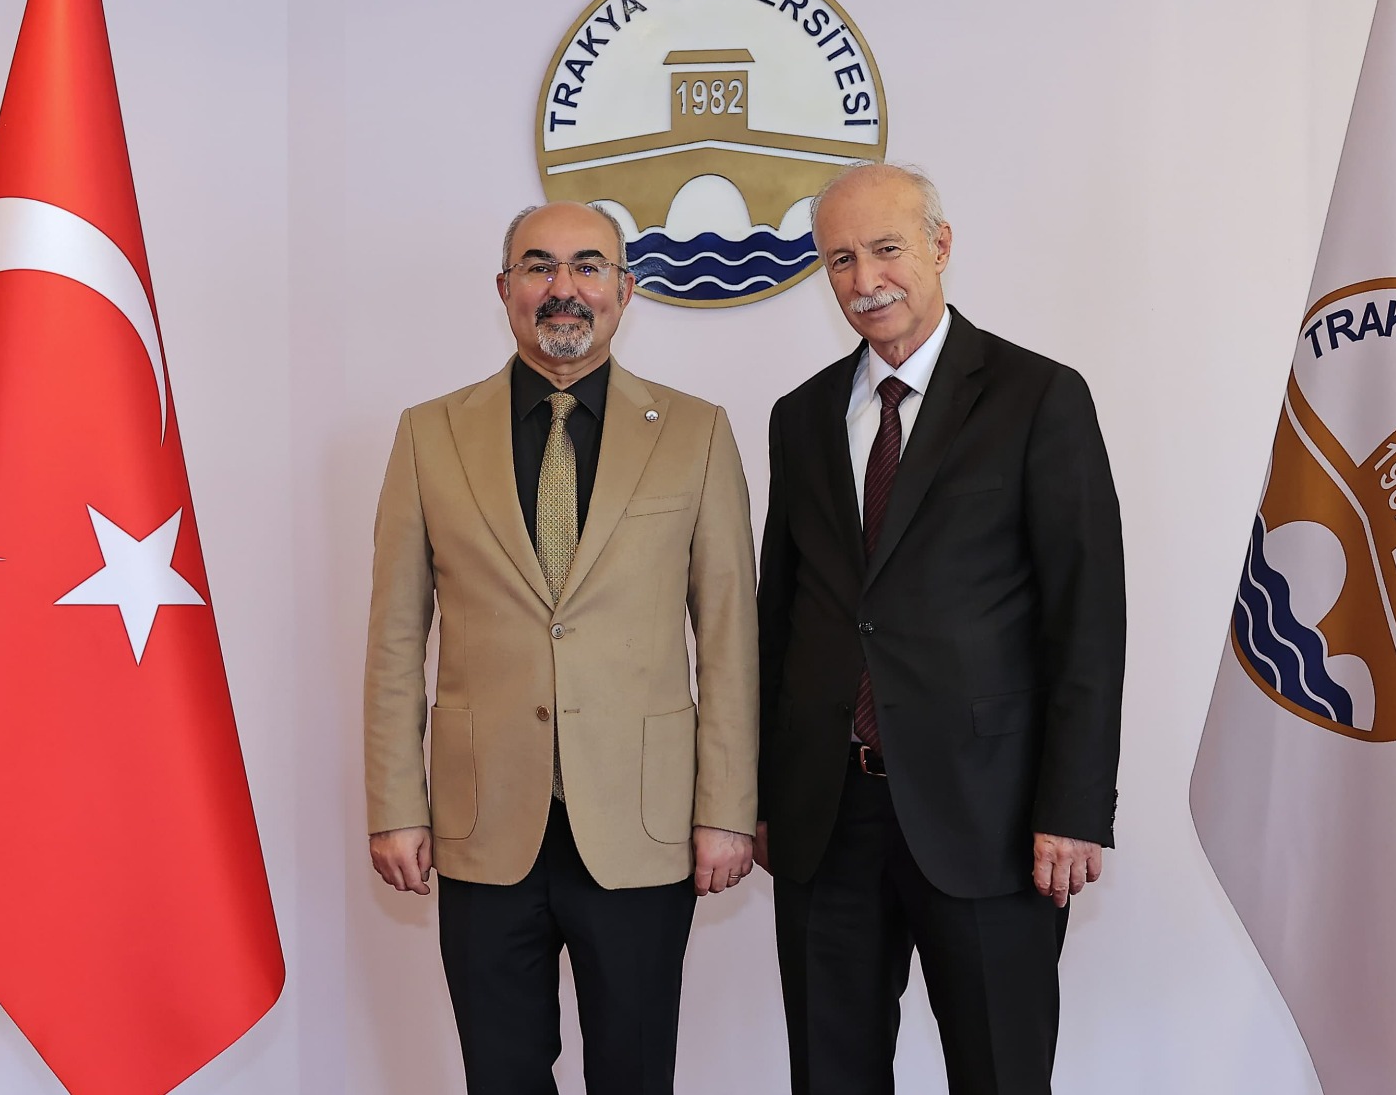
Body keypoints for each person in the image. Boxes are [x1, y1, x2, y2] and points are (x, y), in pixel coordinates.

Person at [363, 201, 758, 1095]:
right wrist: (395, 805)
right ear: (505, 288)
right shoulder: (429, 434)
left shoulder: (696, 433)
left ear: (626, 289)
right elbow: (394, 638)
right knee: (501, 1076)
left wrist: (727, 808)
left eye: (588, 266)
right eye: (539, 266)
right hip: (483, 825)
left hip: (642, 826)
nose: (563, 287)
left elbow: (730, 635)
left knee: (634, 1075)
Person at [755, 162, 1126, 1095]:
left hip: (990, 817)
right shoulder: (800, 417)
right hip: (825, 817)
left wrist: (1073, 807)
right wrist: (759, 793)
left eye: (886, 248)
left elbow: (1087, 617)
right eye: (840, 259)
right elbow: (780, 616)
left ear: (941, 246)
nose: (864, 278)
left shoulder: (1038, 396)